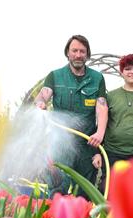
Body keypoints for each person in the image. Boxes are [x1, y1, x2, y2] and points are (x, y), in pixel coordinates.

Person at [34, 34, 108, 198]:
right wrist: (40, 103)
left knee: (86, 192)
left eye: (82, 51)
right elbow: (42, 96)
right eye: (74, 50)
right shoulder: (55, 76)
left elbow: (101, 105)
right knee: (57, 189)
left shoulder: (97, 79)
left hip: (86, 144)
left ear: (87, 54)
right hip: (61, 143)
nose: (78, 55)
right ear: (68, 52)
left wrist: (100, 133)